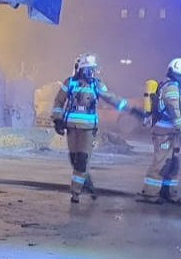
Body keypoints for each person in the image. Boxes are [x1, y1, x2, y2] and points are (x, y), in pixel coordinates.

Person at [51, 53, 130, 203]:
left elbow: (110, 97)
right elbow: (58, 101)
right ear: (80, 69)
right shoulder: (70, 83)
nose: (91, 73)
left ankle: (75, 192)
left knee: (81, 160)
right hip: (72, 127)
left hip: (88, 129)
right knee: (74, 160)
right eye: (88, 70)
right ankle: (86, 182)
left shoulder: (96, 84)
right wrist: (57, 120)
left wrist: (128, 107)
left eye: (92, 70)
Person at [138, 57, 181, 204]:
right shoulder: (172, 88)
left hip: (170, 133)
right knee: (160, 163)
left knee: (172, 164)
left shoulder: (173, 87)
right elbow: (175, 112)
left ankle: (168, 192)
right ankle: (150, 194)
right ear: (176, 74)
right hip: (164, 132)